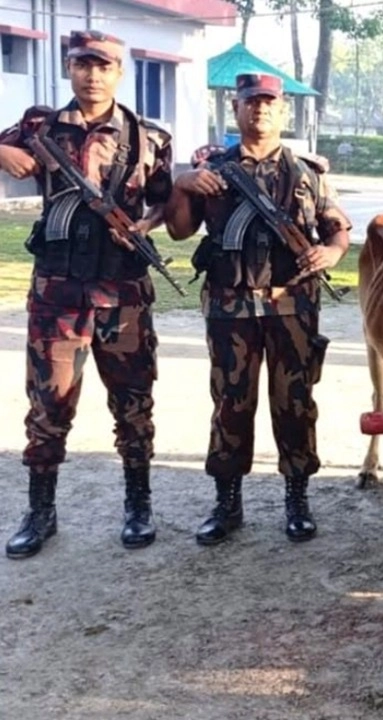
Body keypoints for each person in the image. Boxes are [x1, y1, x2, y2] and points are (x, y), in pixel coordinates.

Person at [0, 30, 173, 559]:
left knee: (133, 404)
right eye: (82, 64)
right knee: (48, 406)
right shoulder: (39, 126)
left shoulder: (148, 137)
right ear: (69, 68)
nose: (92, 74)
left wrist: (144, 225)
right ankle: (40, 512)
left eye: (104, 66)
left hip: (122, 295)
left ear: (120, 72)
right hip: (57, 296)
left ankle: (138, 505)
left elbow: (166, 202)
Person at [164, 73, 351, 545]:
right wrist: (183, 185)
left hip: (292, 307)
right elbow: (180, 231)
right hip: (230, 309)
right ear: (236, 109)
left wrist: (331, 253)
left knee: (294, 404)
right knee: (230, 406)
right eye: (251, 102)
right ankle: (227, 503)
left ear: (282, 110)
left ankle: (296, 498)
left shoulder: (308, 173)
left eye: (269, 102)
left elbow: (337, 230)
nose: (260, 110)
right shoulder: (215, 170)